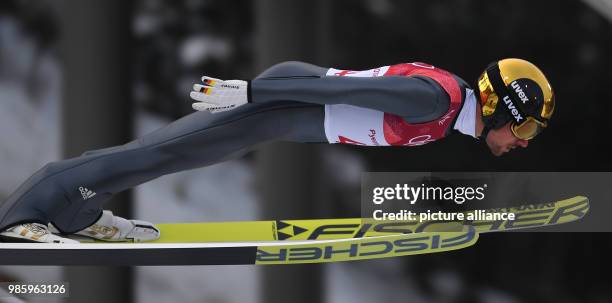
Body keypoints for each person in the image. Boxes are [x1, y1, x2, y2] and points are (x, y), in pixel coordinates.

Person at [0, 59, 555, 243]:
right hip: (283, 101)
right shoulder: (436, 98)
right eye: (524, 131)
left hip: (287, 113)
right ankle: (27, 213)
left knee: (171, 154)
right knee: (164, 151)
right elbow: (343, 91)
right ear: (501, 107)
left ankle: (74, 211)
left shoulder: (445, 116)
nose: (519, 144)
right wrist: (252, 92)